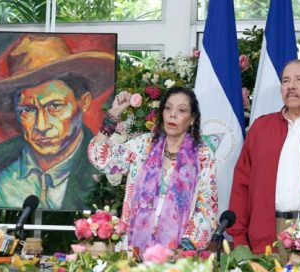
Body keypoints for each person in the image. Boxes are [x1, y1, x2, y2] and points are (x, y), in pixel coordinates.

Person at [228, 15, 300, 258]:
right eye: (285, 81)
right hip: (269, 236)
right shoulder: (262, 127)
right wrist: (239, 239)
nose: (291, 86)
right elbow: (242, 184)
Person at [0, 34, 115, 210]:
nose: (41, 126)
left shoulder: (105, 170)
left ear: (84, 102)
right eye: (27, 110)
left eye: (55, 106)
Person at [88, 87, 218, 253]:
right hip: (133, 249)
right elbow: (100, 158)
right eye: (168, 108)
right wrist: (113, 114)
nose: (173, 114)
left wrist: (183, 249)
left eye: (182, 110)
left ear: (192, 119)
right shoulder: (144, 145)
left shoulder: (203, 156)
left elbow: (207, 210)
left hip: (177, 254)